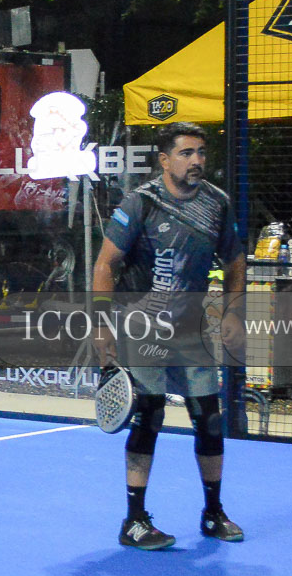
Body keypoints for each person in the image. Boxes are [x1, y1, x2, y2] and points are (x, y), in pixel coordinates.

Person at [92, 122, 247, 550]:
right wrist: (101, 325)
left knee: (209, 420)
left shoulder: (217, 204)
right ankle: (134, 521)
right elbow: (105, 264)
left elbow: (235, 262)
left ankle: (213, 513)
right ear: (164, 160)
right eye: (186, 153)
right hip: (141, 327)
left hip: (191, 330)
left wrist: (234, 311)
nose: (197, 160)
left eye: (201, 153)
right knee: (149, 417)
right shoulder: (141, 203)